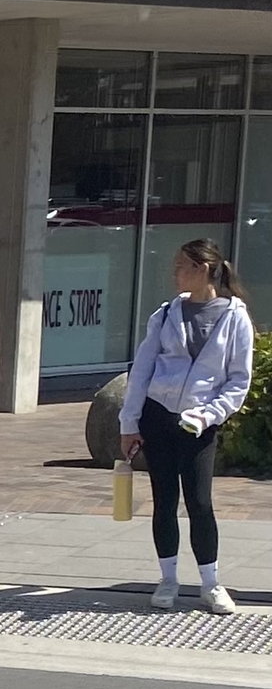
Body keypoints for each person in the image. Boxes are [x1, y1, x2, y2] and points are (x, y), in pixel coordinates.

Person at [121, 237, 255, 615]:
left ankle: (211, 583)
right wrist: (129, 422)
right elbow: (142, 370)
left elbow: (237, 381)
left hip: (199, 423)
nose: (174, 272)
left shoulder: (234, 317)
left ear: (204, 270)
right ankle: (168, 579)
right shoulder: (165, 314)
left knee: (199, 501)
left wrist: (207, 415)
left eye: (182, 266)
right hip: (158, 415)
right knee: (164, 500)